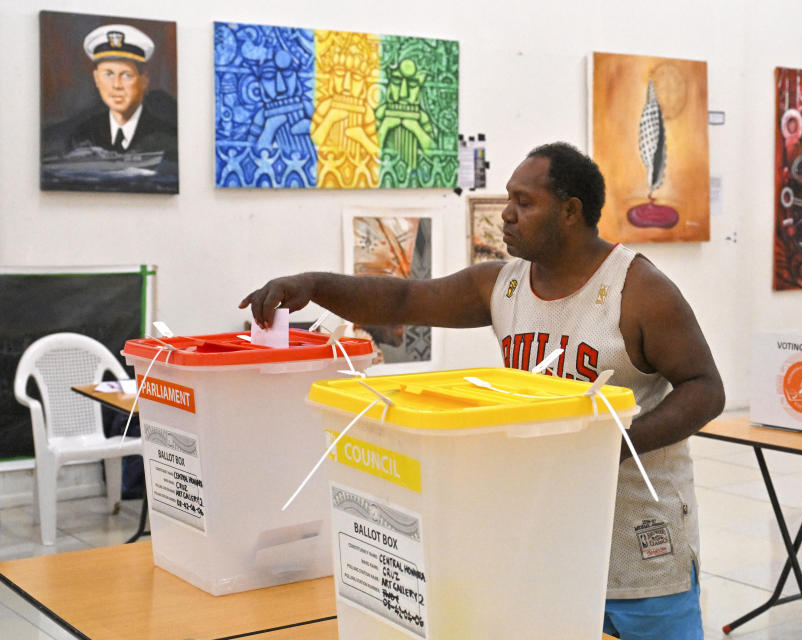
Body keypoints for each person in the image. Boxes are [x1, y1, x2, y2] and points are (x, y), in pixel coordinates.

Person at [240, 142, 725, 640]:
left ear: (570, 211)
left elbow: (706, 389)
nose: (507, 215)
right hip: (545, 538)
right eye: (506, 200)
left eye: (524, 202)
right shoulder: (504, 286)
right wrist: (312, 284)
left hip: (639, 541)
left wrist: (610, 447)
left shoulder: (638, 288)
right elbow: (407, 298)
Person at [67, 23, 176, 156]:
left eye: (126, 75)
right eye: (108, 74)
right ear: (96, 78)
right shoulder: (83, 135)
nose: (117, 85)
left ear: (144, 79)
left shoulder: (167, 136)